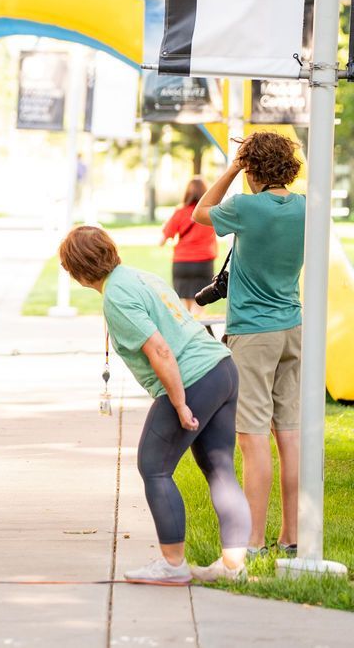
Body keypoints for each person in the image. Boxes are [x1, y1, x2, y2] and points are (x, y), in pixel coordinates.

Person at [59, 226, 250, 583]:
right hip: (221, 368)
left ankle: (173, 565)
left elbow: (161, 350)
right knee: (220, 467)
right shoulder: (137, 276)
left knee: (154, 466)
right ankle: (233, 565)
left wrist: (179, 404)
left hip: (192, 378)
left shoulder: (116, 295)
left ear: (78, 271)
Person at [193, 131, 306, 558]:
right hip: (292, 328)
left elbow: (202, 212)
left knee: (252, 436)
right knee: (289, 434)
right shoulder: (304, 208)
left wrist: (234, 166)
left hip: (253, 333)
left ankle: (255, 540)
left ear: (253, 168)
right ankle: (291, 536)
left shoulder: (244, 207)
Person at [160, 178, 218, 315]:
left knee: (182, 310)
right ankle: (198, 333)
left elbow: (162, 240)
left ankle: (185, 334)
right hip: (204, 262)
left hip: (182, 263)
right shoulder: (211, 212)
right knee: (199, 306)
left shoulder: (180, 212)